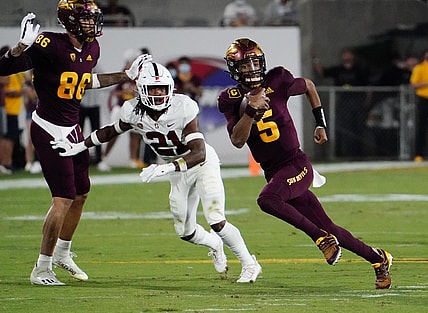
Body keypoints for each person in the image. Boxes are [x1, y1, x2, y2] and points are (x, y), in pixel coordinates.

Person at [51, 62, 262, 283]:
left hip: (200, 164)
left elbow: (199, 153)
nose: (159, 93)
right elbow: (110, 131)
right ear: (141, 90)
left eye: (162, 88)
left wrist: (166, 167)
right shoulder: (132, 110)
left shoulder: (184, 107)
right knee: (185, 232)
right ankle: (214, 244)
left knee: (216, 220)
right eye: (153, 88)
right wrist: (78, 146)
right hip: (176, 169)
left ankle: (249, 263)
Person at [217, 38, 393, 289]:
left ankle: (321, 239)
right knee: (330, 226)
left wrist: (320, 122)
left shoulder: (277, 79)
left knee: (268, 200)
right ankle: (379, 260)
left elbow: (309, 85)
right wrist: (250, 112)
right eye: (246, 65)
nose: (253, 69)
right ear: (235, 69)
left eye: (256, 62)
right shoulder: (231, 98)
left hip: (296, 163)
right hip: (274, 171)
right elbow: (237, 140)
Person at [0, 0, 151, 285]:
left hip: (73, 129)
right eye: (86, 20)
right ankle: (41, 268)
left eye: (94, 19)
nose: (92, 25)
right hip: (48, 129)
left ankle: (62, 252)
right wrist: (20, 48)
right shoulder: (48, 44)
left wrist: (125, 75)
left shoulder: (92, 48)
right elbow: (3, 68)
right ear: (70, 21)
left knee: (81, 193)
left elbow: (86, 81)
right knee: (63, 199)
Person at [312, 47, 371, 158]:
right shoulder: (338, 70)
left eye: (348, 55)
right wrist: (315, 59)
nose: (346, 57)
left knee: (359, 128)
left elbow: (368, 88)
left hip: (357, 103)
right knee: (345, 129)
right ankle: (346, 154)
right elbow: (322, 72)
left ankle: (361, 155)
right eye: (344, 55)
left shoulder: (360, 70)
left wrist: (366, 103)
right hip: (344, 103)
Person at [97, 48, 145, 171]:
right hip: (121, 108)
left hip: (134, 108)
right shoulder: (124, 74)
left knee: (135, 134)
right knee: (114, 133)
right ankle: (104, 158)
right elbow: (115, 92)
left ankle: (133, 159)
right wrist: (125, 91)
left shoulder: (141, 76)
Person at [0, 45, 26, 174]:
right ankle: (5, 163)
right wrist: (21, 92)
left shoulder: (17, 70)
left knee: (11, 137)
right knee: (7, 137)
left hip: (15, 108)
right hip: (8, 108)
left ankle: (8, 162)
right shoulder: (6, 71)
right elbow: (6, 88)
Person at [410, 49, 428, 162]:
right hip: (423, 99)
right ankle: (418, 154)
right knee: (421, 127)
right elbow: (414, 84)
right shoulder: (419, 68)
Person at [22, 72, 42, 174]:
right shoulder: (28, 82)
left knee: (40, 138)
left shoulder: (42, 80)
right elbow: (31, 95)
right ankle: (29, 161)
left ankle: (38, 161)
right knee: (30, 138)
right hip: (31, 112)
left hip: (41, 112)